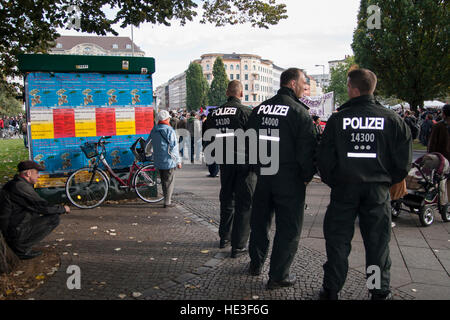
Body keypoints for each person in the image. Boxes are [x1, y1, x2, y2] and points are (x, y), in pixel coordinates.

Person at [317, 68, 412, 300]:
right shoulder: (392, 120)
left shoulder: (338, 120)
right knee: (377, 243)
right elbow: (403, 162)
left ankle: (332, 290)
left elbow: (324, 159)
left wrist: (336, 180)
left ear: (353, 88)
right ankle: (377, 291)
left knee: (338, 241)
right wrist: (386, 180)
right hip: (377, 190)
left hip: (344, 188)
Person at [247, 68, 317, 289]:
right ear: (293, 83)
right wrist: (306, 176)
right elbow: (307, 150)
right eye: (303, 83)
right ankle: (278, 275)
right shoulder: (298, 112)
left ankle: (256, 264)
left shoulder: (259, 110)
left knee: (259, 222)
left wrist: (255, 167)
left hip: (263, 176)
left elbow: (246, 143)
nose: (305, 88)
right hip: (289, 178)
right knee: (288, 228)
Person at [203, 80, 257, 257]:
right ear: (241, 94)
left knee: (227, 199)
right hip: (244, 164)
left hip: (225, 163)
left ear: (227, 93)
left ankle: (224, 237)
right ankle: (239, 245)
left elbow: (206, 139)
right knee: (244, 203)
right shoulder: (246, 112)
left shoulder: (214, 114)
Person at [0, 160, 70, 259]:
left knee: (39, 215)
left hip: (12, 228)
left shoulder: (16, 184)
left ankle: (20, 246)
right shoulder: (20, 186)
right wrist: (63, 208)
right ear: (28, 173)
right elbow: (42, 206)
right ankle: (21, 249)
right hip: (13, 232)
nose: (38, 176)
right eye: (36, 173)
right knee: (54, 219)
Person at [147, 110, 182, 208]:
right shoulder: (169, 130)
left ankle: (166, 200)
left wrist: (149, 154)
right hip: (169, 161)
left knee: (163, 181)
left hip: (158, 161)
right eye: (169, 118)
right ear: (167, 119)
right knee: (169, 181)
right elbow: (174, 147)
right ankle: (167, 202)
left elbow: (148, 145)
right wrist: (178, 161)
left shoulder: (154, 130)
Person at [428, 104, 450, 202]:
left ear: (444, 114)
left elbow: (432, 144)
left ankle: (442, 202)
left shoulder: (438, 126)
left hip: (441, 159)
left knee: (440, 182)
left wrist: (429, 156)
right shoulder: (439, 126)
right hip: (445, 158)